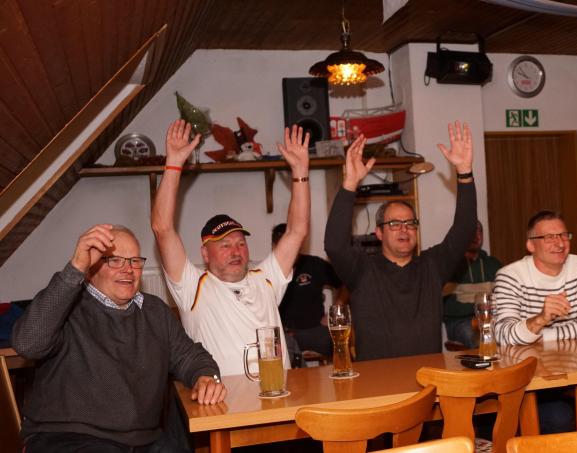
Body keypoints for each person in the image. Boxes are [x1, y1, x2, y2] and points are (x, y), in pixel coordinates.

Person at [12, 224, 225, 452]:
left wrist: (205, 376)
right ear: (92, 267)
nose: (128, 269)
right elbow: (28, 344)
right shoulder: (68, 306)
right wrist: (75, 269)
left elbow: (190, 356)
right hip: (67, 437)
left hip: (141, 442)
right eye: (115, 260)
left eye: (135, 261)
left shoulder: (155, 312)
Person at [151, 119, 310, 375]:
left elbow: (296, 230)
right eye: (224, 245)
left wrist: (301, 172)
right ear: (205, 253)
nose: (236, 251)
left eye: (240, 243)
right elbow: (162, 228)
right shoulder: (193, 287)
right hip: (225, 407)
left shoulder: (266, 279)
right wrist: (173, 165)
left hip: (277, 398)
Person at [324, 121, 477, 361]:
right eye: (394, 224)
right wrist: (349, 184)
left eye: (410, 223)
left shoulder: (432, 266)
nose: (404, 229)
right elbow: (334, 244)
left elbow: (464, 229)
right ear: (379, 233)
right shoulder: (363, 270)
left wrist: (464, 173)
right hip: (379, 389)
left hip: (428, 385)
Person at [494, 210, 577, 346]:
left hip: (573, 356)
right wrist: (540, 319)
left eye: (564, 235)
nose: (560, 244)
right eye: (549, 237)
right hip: (527, 360)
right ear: (531, 245)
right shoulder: (510, 276)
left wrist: (543, 336)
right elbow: (503, 336)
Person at [272, 223, 342, 356]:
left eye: (293, 246)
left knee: (336, 343)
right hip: (283, 335)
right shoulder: (267, 270)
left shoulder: (314, 265)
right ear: (275, 247)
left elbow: (346, 283)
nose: (290, 251)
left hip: (316, 331)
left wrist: (334, 313)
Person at [442, 220, 502, 348]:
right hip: (461, 323)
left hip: (491, 319)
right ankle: (487, 365)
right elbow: (445, 307)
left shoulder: (494, 264)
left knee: (508, 331)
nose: (475, 236)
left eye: (479, 231)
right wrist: (480, 309)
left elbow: (505, 295)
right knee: (475, 334)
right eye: (470, 232)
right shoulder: (450, 267)